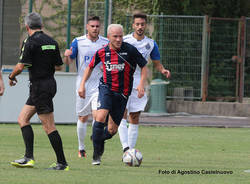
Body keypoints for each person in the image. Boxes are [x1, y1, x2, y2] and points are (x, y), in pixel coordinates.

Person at [78, 24, 148, 165]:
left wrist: (141, 84)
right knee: (100, 117)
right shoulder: (102, 52)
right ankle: (96, 156)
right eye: (115, 36)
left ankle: (98, 138)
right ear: (108, 37)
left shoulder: (130, 50)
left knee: (111, 130)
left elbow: (144, 66)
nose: (118, 39)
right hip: (106, 89)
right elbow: (90, 67)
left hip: (123, 94)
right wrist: (82, 85)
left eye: (120, 36)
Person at [9, 12, 69, 171]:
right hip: (48, 84)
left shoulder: (29, 42)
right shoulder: (51, 41)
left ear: (27, 27)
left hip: (39, 88)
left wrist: (11, 76)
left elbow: (21, 66)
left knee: (49, 126)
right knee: (23, 118)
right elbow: (59, 66)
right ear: (42, 26)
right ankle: (28, 157)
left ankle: (62, 163)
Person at [118, 13, 171, 152]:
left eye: (142, 24)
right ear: (133, 25)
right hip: (123, 80)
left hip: (139, 81)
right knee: (121, 114)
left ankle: (131, 150)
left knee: (134, 116)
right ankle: (126, 149)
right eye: (137, 24)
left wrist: (163, 70)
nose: (140, 27)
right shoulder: (124, 40)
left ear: (145, 25)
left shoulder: (151, 44)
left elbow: (156, 63)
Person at [64, 16, 108, 158]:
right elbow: (69, 62)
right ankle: (81, 148)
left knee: (98, 116)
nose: (95, 29)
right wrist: (67, 56)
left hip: (100, 84)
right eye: (92, 26)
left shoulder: (106, 42)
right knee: (83, 117)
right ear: (87, 27)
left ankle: (96, 146)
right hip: (83, 84)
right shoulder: (78, 42)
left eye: (97, 26)